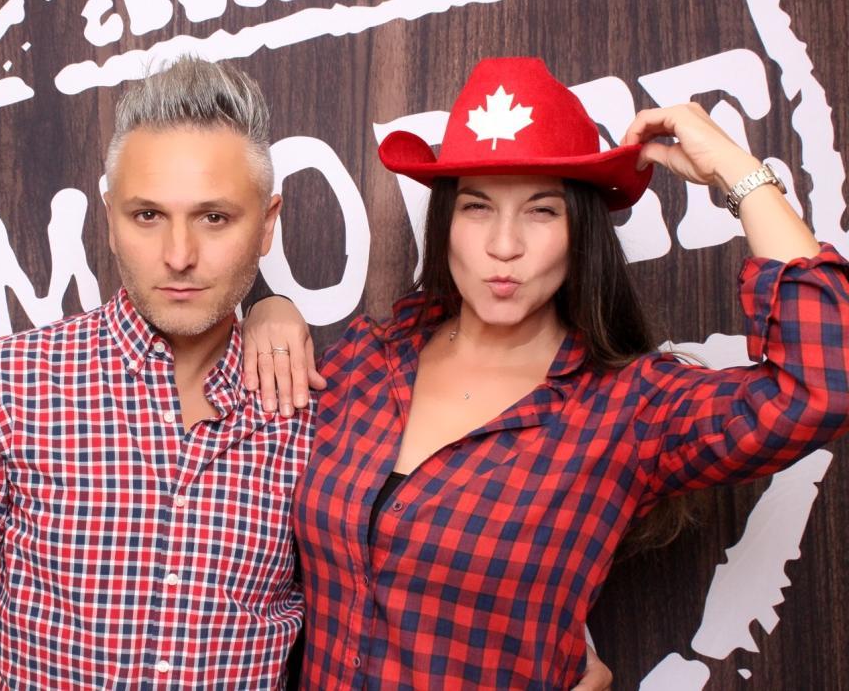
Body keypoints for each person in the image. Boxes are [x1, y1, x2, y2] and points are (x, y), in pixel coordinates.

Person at [0, 56, 614, 690]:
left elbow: (419, 558)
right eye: (148, 216)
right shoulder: (3, 388)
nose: (179, 256)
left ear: (268, 223)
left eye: (215, 218)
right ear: (110, 218)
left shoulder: (323, 407)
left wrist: (553, 640)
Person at [244, 56, 849, 689]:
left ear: (580, 230)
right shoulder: (368, 361)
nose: (504, 246)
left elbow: (822, 384)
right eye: (477, 207)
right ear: (445, 220)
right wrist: (267, 306)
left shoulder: (630, 408)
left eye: (541, 211)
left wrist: (739, 172)